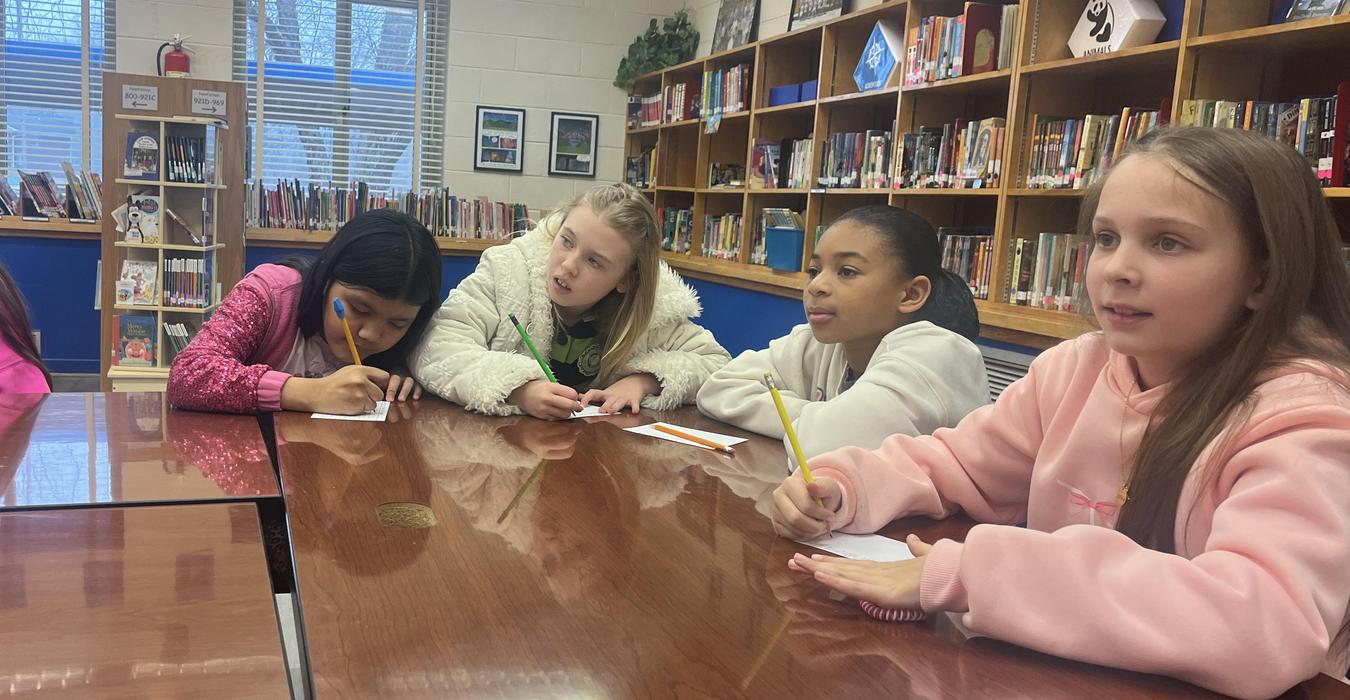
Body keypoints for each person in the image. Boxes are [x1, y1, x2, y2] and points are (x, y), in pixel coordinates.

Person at [773, 127, 1350, 698]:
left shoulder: (1305, 418)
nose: (1117, 269)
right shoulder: (1075, 369)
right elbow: (957, 463)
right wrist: (844, 482)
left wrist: (980, 573)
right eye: (1105, 238)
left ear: (1263, 276)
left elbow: (1264, 624)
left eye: (1168, 242)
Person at [411, 182, 730, 419]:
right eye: (567, 241)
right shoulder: (505, 273)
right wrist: (520, 389)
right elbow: (436, 349)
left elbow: (718, 365)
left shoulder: (655, 310)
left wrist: (644, 381)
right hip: (503, 458)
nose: (568, 265)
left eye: (594, 262)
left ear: (625, 280)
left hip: (593, 461)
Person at [698, 205, 988, 456]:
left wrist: (818, 424)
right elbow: (718, 389)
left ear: (911, 294)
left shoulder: (936, 356)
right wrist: (818, 417)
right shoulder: (821, 341)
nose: (816, 286)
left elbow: (821, 446)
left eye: (846, 272)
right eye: (814, 270)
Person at [168, 209, 441, 414]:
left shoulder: (417, 343)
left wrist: (411, 375)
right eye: (359, 308)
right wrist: (309, 393)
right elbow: (187, 375)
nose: (370, 334)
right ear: (326, 280)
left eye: (397, 324)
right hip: (256, 471)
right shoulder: (271, 294)